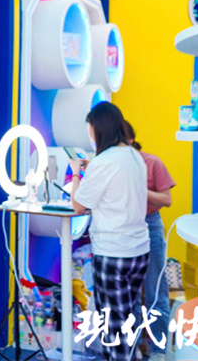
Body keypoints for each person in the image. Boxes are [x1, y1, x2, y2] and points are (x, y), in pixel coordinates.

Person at [70, 102, 149, 361]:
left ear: (99, 128)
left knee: (114, 327)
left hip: (113, 252)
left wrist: (76, 175)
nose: (91, 136)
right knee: (125, 319)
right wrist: (91, 167)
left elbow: (79, 205)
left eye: (90, 130)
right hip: (139, 250)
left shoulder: (103, 162)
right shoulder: (135, 157)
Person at [125, 121, 175, 361]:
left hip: (149, 223)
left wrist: (139, 190)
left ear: (130, 141)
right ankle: (131, 349)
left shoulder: (152, 162)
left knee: (155, 292)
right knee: (129, 296)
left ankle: (158, 352)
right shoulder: (113, 165)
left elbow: (167, 199)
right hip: (124, 226)